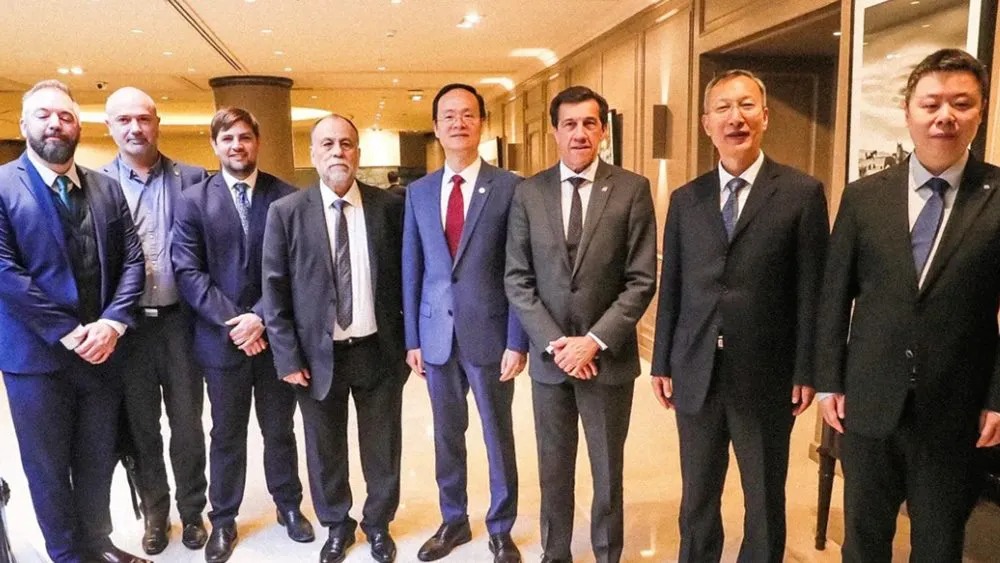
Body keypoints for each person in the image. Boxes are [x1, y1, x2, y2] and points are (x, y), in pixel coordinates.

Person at [816, 48, 1000, 562]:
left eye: (961, 103)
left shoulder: (997, 196)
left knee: (939, 545)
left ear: (980, 112)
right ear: (908, 110)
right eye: (931, 103)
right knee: (863, 541)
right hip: (868, 403)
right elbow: (835, 295)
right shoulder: (864, 196)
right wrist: (828, 379)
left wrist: (998, 396)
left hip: (957, 409)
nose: (945, 116)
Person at [650, 69, 829, 562]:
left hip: (768, 374)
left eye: (747, 106)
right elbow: (673, 286)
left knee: (764, 497)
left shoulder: (801, 193)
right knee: (697, 496)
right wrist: (661, 361)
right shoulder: (686, 199)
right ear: (707, 123)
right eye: (723, 108)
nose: (736, 118)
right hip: (696, 370)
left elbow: (812, 291)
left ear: (765, 117)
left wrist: (806, 369)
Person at [504, 85, 656, 563]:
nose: (579, 133)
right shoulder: (529, 193)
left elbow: (641, 279)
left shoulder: (632, 189)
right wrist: (557, 344)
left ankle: (608, 553)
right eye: (569, 124)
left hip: (608, 360)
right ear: (554, 131)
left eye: (590, 123)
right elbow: (517, 278)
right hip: (551, 364)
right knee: (553, 469)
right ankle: (555, 553)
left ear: (603, 130)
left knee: (608, 471)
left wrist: (592, 341)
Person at [0, 80, 147, 563]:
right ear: (24, 125)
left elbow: (133, 260)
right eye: (43, 115)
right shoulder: (3, 186)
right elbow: (5, 270)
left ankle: (98, 544)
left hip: (102, 352)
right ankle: (67, 555)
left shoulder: (106, 187)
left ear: (78, 126)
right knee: (47, 468)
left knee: (96, 460)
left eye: (65, 116)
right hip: (35, 360)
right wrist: (67, 331)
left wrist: (113, 323)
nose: (55, 124)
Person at [171, 107, 314, 563]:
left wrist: (259, 318)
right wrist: (237, 323)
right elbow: (188, 272)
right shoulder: (192, 201)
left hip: (276, 340)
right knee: (226, 434)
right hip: (222, 341)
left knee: (280, 430)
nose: (237, 146)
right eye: (228, 138)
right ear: (214, 145)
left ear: (258, 142)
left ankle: (288, 506)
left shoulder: (287, 197)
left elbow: (297, 270)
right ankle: (224, 519)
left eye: (245, 137)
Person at [263, 115, 408, 563]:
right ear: (312, 154)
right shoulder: (286, 212)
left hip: (378, 350)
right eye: (327, 144)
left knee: (382, 446)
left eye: (346, 143)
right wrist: (287, 357)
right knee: (324, 448)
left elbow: (407, 279)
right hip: (315, 356)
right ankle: (336, 524)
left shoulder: (389, 208)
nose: (337, 152)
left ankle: (378, 524)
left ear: (358, 153)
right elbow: (274, 290)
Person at [403, 83, 527, 563]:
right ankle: (453, 520)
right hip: (436, 336)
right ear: (436, 127)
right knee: (445, 436)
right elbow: (412, 267)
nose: (459, 123)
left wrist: (517, 339)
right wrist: (413, 338)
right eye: (449, 116)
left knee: (498, 435)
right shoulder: (419, 192)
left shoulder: (510, 187)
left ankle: (501, 526)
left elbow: (520, 269)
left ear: (482, 123)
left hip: (491, 334)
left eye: (468, 114)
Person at [99, 86, 209, 554]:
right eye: (124, 120)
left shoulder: (194, 178)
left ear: (157, 123)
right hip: (128, 330)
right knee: (142, 427)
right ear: (109, 127)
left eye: (143, 118)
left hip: (181, 323)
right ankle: (156, 513)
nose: (135, 128)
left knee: (187, 425)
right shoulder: (97, 183)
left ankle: (192, 510)